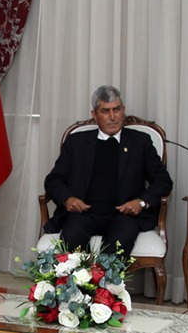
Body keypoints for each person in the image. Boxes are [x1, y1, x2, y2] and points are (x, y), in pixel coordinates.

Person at [43, 85, 172, 255]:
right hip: (83, 214)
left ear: (123, 110)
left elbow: (163, 180)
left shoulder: (140, 142)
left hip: (124, 216)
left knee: (119, 243)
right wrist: (68, 199)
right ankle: (79, 274)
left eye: (116, 109)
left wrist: (141, 202)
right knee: (72, 236)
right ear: (94, 114)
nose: (112, 117)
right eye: (105, 111)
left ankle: (107, 274)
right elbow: (53, 180)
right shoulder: (77, 142)